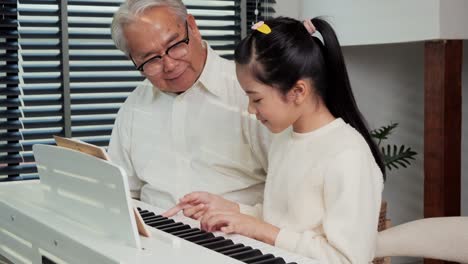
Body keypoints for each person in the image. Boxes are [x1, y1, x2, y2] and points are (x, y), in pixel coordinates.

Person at [164, 17, 385, 263]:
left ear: (298, 91)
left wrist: (261, 230)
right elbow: (281, 220)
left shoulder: (347, 155)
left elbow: (347, 259)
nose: (249, 109)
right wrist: (228, 209)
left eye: (256, 99)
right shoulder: (285, 139)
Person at [108, 0, 271, 210]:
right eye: (150, 59)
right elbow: (123, 193)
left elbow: (289, 199)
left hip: (235, 235)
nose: (169, 65)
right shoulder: (135, 105)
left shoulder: (249, 93)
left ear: (192, 27)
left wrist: (241, 215)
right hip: (156, 235)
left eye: (175, 46)